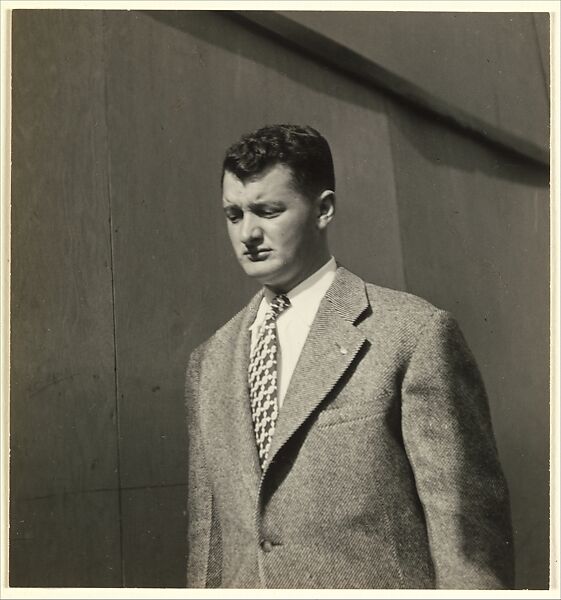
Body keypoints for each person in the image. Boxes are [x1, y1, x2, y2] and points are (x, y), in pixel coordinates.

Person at [184, 124, 514, 589]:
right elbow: (208, 549)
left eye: (268, 210)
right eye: (233, 214)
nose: (248, 233)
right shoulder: (210, 361)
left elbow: (467, 541)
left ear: (324, 209)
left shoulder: (411, 333)